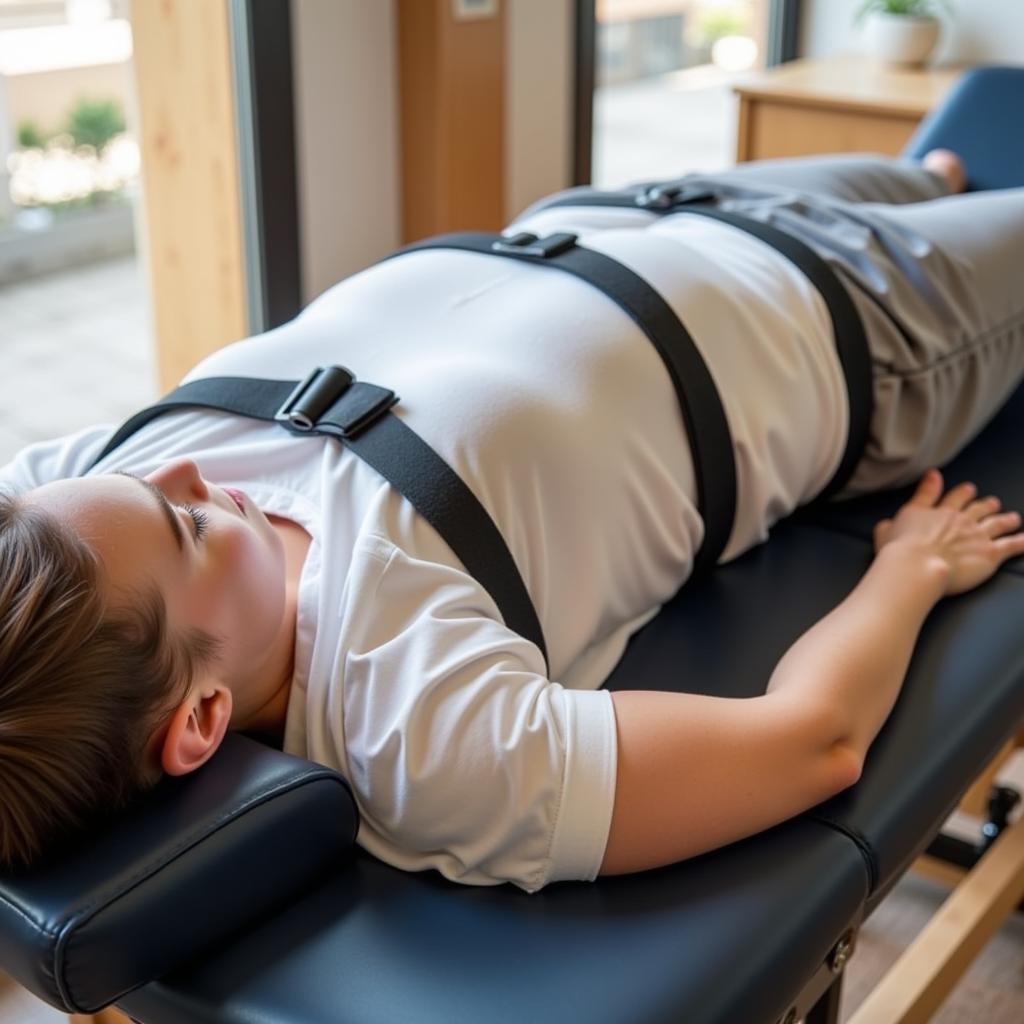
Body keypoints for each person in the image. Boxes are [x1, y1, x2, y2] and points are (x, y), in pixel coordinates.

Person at [2, 150, 1023, 892]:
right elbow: (812, 742)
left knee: (933, 165)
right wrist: (909, 572)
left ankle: (932, 177)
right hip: (868, 320)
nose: (176, 470)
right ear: (199, 720)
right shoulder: (418, 723)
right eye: (183, 527)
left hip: (642, 204)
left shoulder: (72, 517)